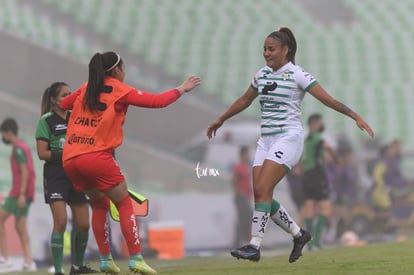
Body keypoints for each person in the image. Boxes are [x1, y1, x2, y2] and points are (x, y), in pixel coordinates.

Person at [207, 27, 374, 263]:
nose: (266, 53)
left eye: (271, 49)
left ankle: (254, 245)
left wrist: (354, 115)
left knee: (263, 189)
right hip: (265, 140)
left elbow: (327, 99)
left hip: (288, 138)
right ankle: (299, 234)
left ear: (286, 50)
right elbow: (246, 99)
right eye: (264, 49)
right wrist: (221, 119)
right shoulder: (261, 74)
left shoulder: (297, 74)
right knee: (261, 193)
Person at [61, 51, 201, 274]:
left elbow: (64, 104)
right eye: (124, 67)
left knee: (99, 204)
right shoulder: (119, 90)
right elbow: (157, 102)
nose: (125, 72)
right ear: (117, 70)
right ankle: (136, 258)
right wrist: (181, 89)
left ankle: (106, 260)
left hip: (70, 158)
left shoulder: (86, 87)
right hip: (96, 156)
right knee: (124, 203)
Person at [35, 82, 99, 275]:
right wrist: (66, 154)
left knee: (83, 224)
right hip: (56, 176)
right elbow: (42, 153)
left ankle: (77, 267)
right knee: (61, 221)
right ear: (54, 99)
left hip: (77, 174)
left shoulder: (77, 118)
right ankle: (57, 270)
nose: (69, 97)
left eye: (71, 94)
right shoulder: (46, 121)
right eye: (65, 94)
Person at [0, 118, 36, 271]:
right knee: (20, 227)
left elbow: (25, 171)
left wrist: (21, 194)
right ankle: (29, 261)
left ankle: (6, 259)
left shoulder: (18, 148)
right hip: (23, 193)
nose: (3, 137)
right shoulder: (21, 146)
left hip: (19, 193)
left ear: (8, 133)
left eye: (3, 134)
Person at [301, 114, 337, 249]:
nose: (322, 126)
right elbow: (328, 148)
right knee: (326, 208)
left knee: (309, 207)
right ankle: (316, 241)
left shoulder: (306, 140)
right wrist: (336, 158)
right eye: (320, 123)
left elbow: (302, 159)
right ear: (314, 124)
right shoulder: (317, 138)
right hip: (317, 174)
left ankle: (309, 243)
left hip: (306, 175)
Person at [232, 146, 253, 247]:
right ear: (243, 155)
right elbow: (234, 181)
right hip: (241, 197)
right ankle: (239, 241)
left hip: (246, 197)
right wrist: (240, 193)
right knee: (243, 218)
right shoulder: (239, 167)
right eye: (247, 154)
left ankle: (243, 239)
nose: (248, 156)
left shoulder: (246, 167)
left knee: (247, 217)